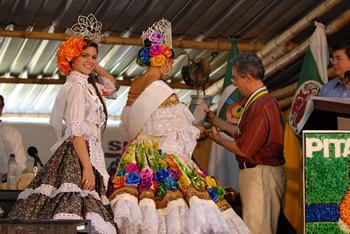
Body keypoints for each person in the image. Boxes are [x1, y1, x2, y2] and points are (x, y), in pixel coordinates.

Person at [107, 19, 250, 234]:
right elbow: (177, 131)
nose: (172, 67)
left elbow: (128, 126)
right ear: (163, 60)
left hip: (135, 155)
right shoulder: (162, 89)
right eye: (171, 62)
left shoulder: (135, 84)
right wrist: (196, 129)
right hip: (160, 154)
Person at [8, 14, 120, 234]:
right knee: (76, 213)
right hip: (79, 154)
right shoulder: (77, 87)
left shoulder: (88, 85)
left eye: (94, 56)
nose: (90, 60)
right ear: (71, 57)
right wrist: (86, 166)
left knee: (81, 212)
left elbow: (113, 86)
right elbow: (76, 130)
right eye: (84, 55)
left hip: (87, 153)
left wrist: (93, 65)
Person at [204, 53, 286, 234]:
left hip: (261, 175)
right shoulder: (259, 101)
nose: (233, 83)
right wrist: (214, 120)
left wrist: (217, 140)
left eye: (235, 78)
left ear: (247, 78)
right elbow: (241, 133)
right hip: (260, 175)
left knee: (257, 230)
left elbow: (244, 148)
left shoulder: (261, 104)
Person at [0, 95, 27, 176]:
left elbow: (21, 165)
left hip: (6, 184)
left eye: (0, 106)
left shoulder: (13, 133)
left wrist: (9, 175)